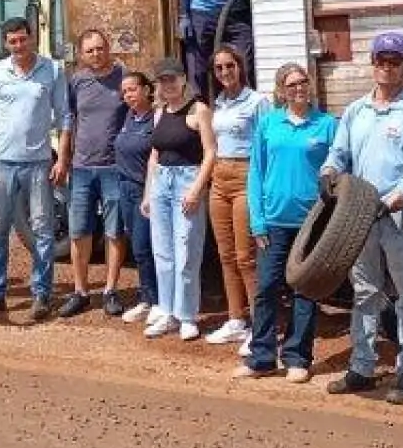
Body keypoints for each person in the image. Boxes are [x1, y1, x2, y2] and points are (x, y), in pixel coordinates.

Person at [318, 31, 403, 405]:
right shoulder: (355, 111)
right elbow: (339, 153)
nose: (387, 67)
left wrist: (391, 200)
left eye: (395, 61)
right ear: (373, 65)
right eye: (381, 60)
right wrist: (328, 174)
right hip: (360, 219)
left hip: (399, 217)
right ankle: (362, 368)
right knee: (365, 292)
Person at [233, 63, 337, 384]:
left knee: (305, 290)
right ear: (281, 90)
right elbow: (256, 175)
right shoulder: (268, 124)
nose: (298, 88)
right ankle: (262, 356)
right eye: (291, 84)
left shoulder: (327, 125)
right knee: (265, 288)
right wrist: (258, 221)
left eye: (302, 82)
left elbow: (339, 170)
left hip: (311, 223)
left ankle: (297, 357)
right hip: (274, 222)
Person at [0, 18, 73, 322]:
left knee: (43, 231)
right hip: (2, 164)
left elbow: (64, 118)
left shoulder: (52, 70)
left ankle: (41, 295)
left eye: (23, 40)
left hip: (39, 164)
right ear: (5, 43)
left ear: (32, 39)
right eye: (12, 41)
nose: (18, 46)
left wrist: (63, 160)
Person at [140, 57, 217, 341]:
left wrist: (197, 189)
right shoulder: (159, 112)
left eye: (172, 78)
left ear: (184, 79)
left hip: (187, 180)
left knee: (187, 250)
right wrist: (148, 193)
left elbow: (210, 152)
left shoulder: (199, 110)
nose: (168, 84)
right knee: (162, 251)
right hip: (161, 181)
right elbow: (155, 155)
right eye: (162, 80)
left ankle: (187, 315)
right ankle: (167, 312)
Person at [205, 44, 271, 347]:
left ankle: (261, 327)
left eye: (229, 66)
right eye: (219, 68)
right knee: (226, 255)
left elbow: (266, 145)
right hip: (219, 178)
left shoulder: (257, 102)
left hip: (246, 177)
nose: (225, 73)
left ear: (240, 67)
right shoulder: (219, 103)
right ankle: (235, 319)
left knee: (247, 257)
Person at [61, 29, 129, 318]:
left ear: (108, 47)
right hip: (81, 168)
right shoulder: (76, 81)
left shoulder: (124, 78)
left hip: (114, 167)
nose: (96, 54)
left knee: (115, 231)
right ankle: (80, 291)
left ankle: (110, 290)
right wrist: (63, 159)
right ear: (81, 54)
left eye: (100, 48)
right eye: (89, 50)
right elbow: (69, 119)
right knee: (79, 232)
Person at [112, 71, 159, 324]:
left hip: (145, 190)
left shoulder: (155, 118)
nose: (128, 95)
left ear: (146, 90)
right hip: (125, 188)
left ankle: (155, 301)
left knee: (145, 248)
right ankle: (147, 298)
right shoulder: (128, 116)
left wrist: (149, 194)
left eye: (133, 89)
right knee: (137, 248)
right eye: (125, 91)